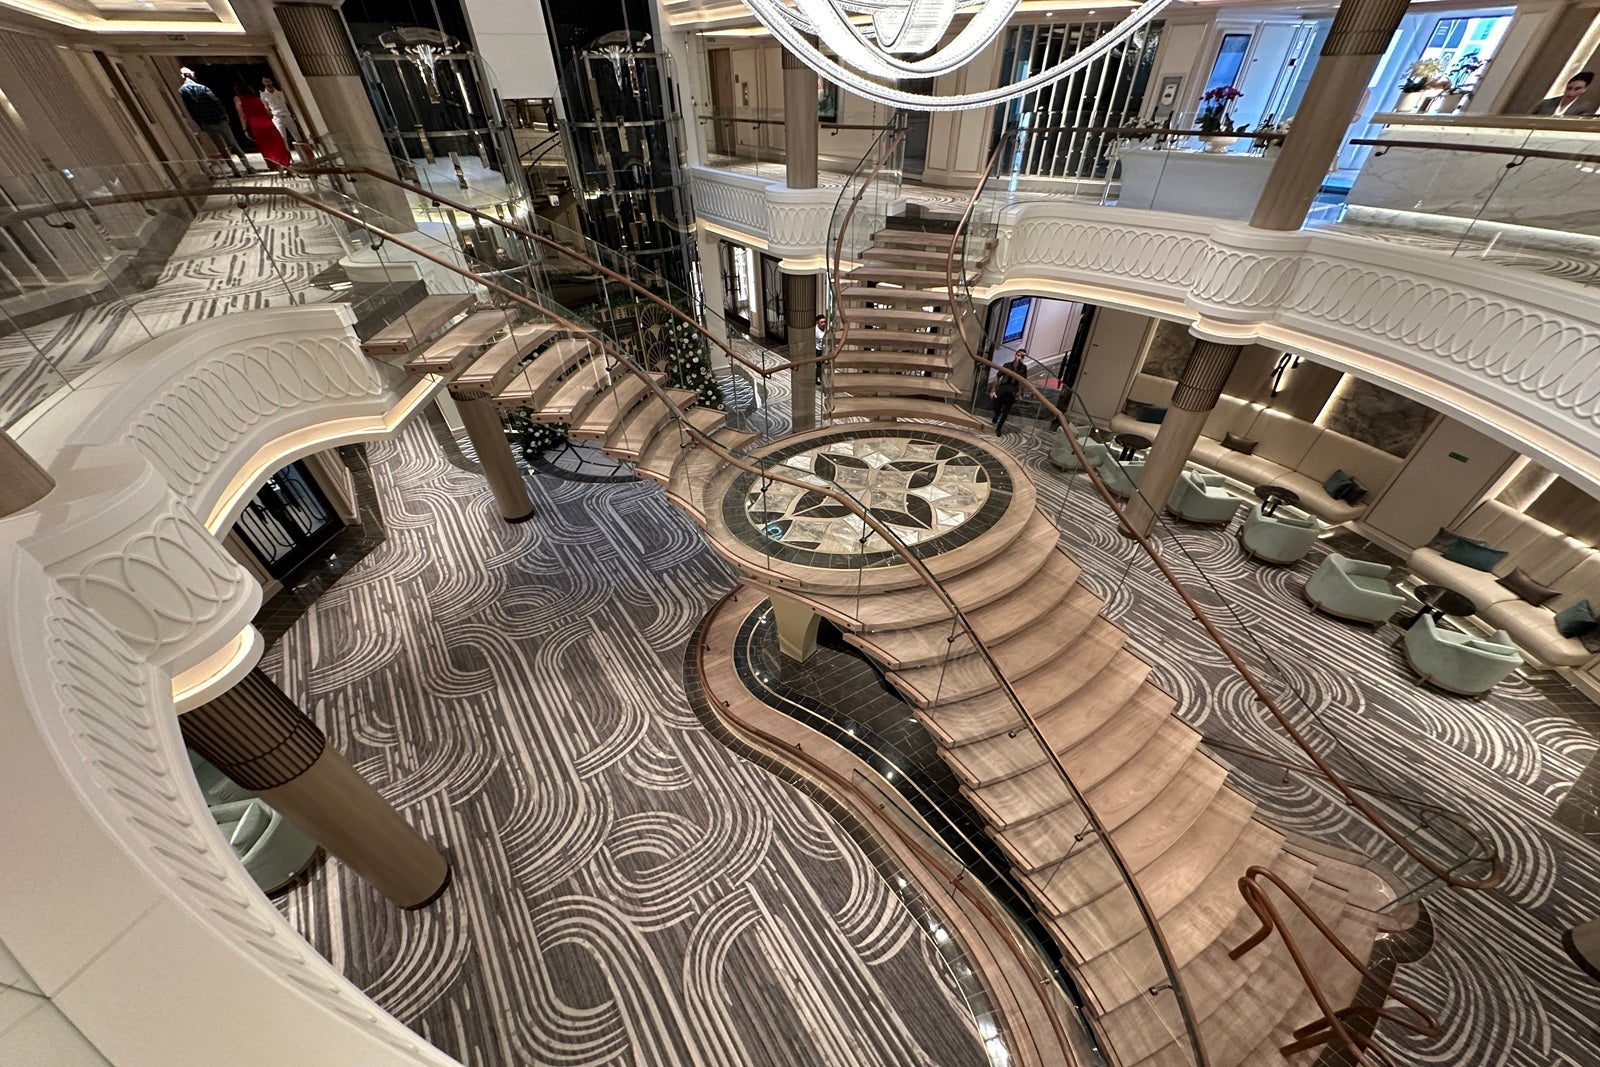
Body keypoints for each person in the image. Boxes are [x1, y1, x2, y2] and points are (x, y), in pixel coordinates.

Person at [178, 68, 254, 176]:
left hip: (207, 123)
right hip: (218, 119)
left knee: (222, 149)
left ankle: (235, 170)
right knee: (234, 145)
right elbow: (216, 101)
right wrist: (224, 115)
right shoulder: (202, 87)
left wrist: (200, 124)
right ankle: (248, 167)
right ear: (190, 75)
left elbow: (190, 109)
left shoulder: (183, 90)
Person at [234, 86, 292, 169]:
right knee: (276, 143)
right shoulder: (257, 99)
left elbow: (242, 115)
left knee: (265, 146)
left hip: (256, 125)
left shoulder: (238, 99)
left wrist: (245, 129)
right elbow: (268, 112)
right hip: (267, 123)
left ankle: (274, 164)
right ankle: (284, 162)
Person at [260, 76, 306, 161]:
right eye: (265, 81)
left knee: (297, 137)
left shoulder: (280, 92)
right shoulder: (264, 95)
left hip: (287, 116)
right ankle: (289, 159)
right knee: (282, 139)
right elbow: (266, 107)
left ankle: (304, 157)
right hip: (277, 117)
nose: (267, 83)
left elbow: (288, 103)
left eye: (268, 80)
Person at [991, 349, 1028, 436]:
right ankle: (997, 414)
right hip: (1002, 389)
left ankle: (999, 428)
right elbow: (998, 376)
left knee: (1006, 411)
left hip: (1012, 391)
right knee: (996, 406)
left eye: (1022, 356)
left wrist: (1021, 393)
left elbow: (1023, 382)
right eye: (1018, 355)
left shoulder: (1023, 368)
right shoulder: (1007, 365)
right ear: (1015, 355)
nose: (1019, 357)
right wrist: (993, 388)